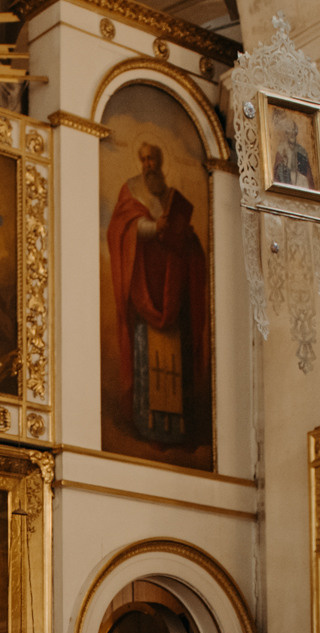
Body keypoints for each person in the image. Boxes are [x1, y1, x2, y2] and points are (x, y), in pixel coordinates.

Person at [106, 141, 209, 450]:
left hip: (170, 289)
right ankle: (146, 422)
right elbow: (121, 230)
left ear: (161, 163)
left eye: (154, 159)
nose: (149, 164)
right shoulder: (131, 190)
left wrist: (185, 236)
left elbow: (181, 239)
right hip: (144, 288)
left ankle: (174, 428)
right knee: (147, 358)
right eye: (145, 159)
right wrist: (154, 227)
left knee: (174, 361)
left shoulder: (169, 194)